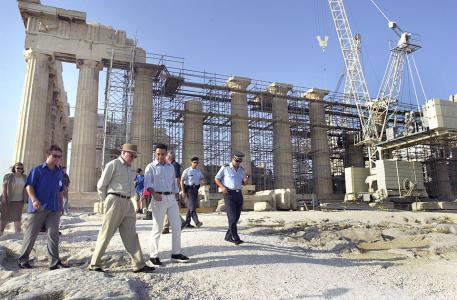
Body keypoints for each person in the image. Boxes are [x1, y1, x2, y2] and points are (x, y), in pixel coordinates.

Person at [88, 144, 154, 273]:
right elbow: (101, 185)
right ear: (123, 153)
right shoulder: (113, 164)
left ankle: (139, 264)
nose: (133, 158)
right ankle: (94, 263)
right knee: (106, 233)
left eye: (134, 156)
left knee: (131, 234)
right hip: (115, 200)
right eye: (131, 155)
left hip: (128, 202)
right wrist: (106, 200)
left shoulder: (130, 169)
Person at [17, 145, 69, 270]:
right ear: (48, 155)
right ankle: (23, 260)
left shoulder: (59, 173)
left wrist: (61, 206)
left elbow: (60, 190)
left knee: (53, 234)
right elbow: (29, 186)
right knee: (31, 234)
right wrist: (34, 200)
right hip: (38, 207)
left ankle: (54, 261)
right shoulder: (38, 170)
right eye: (55, 156)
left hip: (54, 208)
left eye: (60, 157)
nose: (57, 158)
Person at [144, 144, 189, 266]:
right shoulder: (151, 167)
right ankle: (153, 256)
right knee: (157, 227)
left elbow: (174, 183)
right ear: (155, 154)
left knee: (177, 225)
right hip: (158, 198)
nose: (160, 156)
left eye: (163, 154)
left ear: (166, 154)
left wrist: (177, 195)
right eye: (158, 154)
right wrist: (153, 193)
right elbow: (147, 183)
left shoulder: (170, 167)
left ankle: (176, 253)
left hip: (171, 198)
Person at [214, 151, 249, 245]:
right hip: (228, 194)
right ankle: (235, 237)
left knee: (236, 218)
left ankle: (228, 236)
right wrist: (222, 187)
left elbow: (243, 182)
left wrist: (246, 180)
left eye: (239, 161)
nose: (238, 162)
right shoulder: (225, 167)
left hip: (238, 194)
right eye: (236, 160)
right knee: (232, 217)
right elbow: (216, 178)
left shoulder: (241, 169)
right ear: (233, 159)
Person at [162, 151, 186, 234]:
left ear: (169, 157)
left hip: (171, 191)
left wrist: (175, 190)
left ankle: (168, 226)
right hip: (170, 190)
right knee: (169, 208)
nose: (164, 157)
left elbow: (177, 178)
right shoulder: (171, 165)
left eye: (165, 156)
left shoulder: (174, 165)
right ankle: (170, 225)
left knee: (168, 208)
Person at [1, 162, 28, 235]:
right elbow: (4, 187)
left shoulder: (25, 177)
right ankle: (1, 232)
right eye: (18, 168)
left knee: (17, 217)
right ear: (14, 168)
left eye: (21, 168)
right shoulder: (8, 176)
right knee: (4, 217)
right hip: (8, 199)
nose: (20, 170)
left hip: (20, 200)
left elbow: (27, 187)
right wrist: (4, 196)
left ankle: (17, 233)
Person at [181, 157, 205, 228]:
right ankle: (197, 222)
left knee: (190, 206)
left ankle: (187, 223)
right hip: (189, 189)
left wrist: (203, 181)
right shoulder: (187, 171)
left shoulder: (198, 171)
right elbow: (181, 181)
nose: (196, 164)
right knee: (192, 207)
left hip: (195, 189)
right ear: (191, 162)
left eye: (197, 162)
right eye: (194, 162)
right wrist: (183, 191)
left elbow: (202, 178)